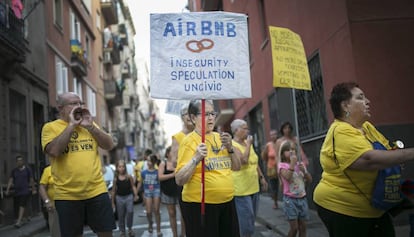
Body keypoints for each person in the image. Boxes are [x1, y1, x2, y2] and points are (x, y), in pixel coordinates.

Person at [313, 82, 414, 237]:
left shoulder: (366, 127)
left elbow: (387, 150)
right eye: (360, 98)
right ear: (345, 106)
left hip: (374, 207)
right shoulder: (340, 130)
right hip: (342, 207)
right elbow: (368, 160)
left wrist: (394, 156)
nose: (368, 101)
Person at [41, 92, 116, 237]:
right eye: (74, 103)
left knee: (106, 232)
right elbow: (55, 151)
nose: (79, 107)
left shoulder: (89, 125)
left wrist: (91, 127)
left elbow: (109, 145)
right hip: (67, 195)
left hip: (97, 190)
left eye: (80, 103)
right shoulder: (50, 128)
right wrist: (71, 125)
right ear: (61, 108)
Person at [175, 99, 242, 237]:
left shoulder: (221, 138)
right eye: (206, 114)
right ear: (193, 118)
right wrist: (196, 158)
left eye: (213, 113)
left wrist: (230, 148)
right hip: (201, 206)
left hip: (227, 203)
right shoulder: (188, 141)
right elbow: (180, 179)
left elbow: (237, 167)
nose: (211, 117)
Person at [231, 119, 268, 237]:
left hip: (254, 186)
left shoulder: (247, 144)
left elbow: (254, 162)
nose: (248, 130)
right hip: (241, 189)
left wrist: (262, 178)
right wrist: (248, 145)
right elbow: (244, 161)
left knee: (251, 219)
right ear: (236, 130)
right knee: (246, 222)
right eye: (245, 128)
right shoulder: (232, 145)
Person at [278, 140, 312, 237]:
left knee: (303, 227)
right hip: (290, 200)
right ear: (283, 153)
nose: (291, 152)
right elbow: (288, 177)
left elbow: (309, 180)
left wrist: (304, 172)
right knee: (294, 228)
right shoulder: (282, 166)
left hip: (302, 198)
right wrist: (292, 164)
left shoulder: (300, 164)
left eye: (293, 149)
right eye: (288, 150)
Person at [170, 104, 195, 237]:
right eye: (186, 114)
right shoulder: (178, 137)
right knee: (186, 212)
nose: (189, 116)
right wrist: (192, 157)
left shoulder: (200, 134)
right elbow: (174, 161)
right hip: (187, 179)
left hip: (203, 179)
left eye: (192, 113)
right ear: (182, 118)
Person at [5, 155, 36, 228]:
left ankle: (19, 222)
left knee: (22, 204)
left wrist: (33, 189)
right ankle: (26, 216)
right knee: (20, 205)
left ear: (23, 161)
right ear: (16, 162)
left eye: (21, 160)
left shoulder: (27, 170)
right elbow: (11, 180)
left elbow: (31, 179)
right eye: (18, 161)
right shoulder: (14, 171)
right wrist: (7, 190)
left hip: (25, 190)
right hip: (17, 191)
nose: (19, 162)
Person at [159, 146, 182, 237]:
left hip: (179, 190)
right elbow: (160, 177)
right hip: (168, 192)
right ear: (167, 154)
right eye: (172, 152)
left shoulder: (179, 161)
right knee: (172, 214)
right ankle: (175, 235)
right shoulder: (163, 164)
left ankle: (183, 234)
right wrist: (173, 174)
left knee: (183, 215)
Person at [111, 159, 139, 237]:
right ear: (117, 168)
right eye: (119, 167)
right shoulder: (116, 179)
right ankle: (122, 231)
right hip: (119, 198)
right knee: (121, 215)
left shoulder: (129, 177)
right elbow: (113, 191)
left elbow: (133, 186)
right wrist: (112, 202)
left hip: (129, 197)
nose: (121, 168)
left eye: (123, 166)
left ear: (125, 167)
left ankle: (130, 228)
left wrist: (136, 195)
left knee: (130, 212)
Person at [137, 154, 162, 236]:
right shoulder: (143, 172)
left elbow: (160, 181)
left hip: (156, 191)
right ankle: (150, 223)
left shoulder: (157, 172)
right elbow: (140, 183)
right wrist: (135, 193)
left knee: (157, 210)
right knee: (148, 212)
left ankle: (158, 229)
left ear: (153, 162)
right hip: (147, 192)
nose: (148, 162)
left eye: (149, 161)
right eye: (147, 160)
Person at [39, 163, 61, 237]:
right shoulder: (48, 170)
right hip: (53, 205)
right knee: (55, 231)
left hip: (70, 202)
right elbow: (42, 188)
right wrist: (47, 202)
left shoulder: (69, 167)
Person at [261, 129, 280, 209]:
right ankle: (275, 202)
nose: (273, 136)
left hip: (281, 167)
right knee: (274, 186)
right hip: (272, 168)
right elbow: (264, 156)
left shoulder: (280, 142)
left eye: (274, 134)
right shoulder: (268, 145)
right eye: (271, 135)